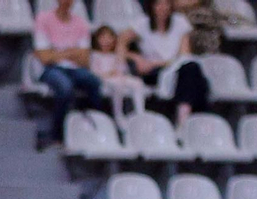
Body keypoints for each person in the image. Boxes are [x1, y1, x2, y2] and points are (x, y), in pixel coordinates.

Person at [121, 0, 210, 130]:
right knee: (197, 79)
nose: (162, 8)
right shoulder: (142, 23)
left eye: (166, 4)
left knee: (192, 70)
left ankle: (183, 121)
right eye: (159, 4)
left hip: (174, 66)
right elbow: (121, 41)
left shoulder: (180, 22)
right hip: (153, 71)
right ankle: (185, 122)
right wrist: (135, 57)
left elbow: (184, 55)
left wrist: (157, 63)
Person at [32, 0, 105, 151]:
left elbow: (85, 59)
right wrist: (72, 52)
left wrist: (57, 52)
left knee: (94, 82)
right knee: (65, 87)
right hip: (50, 69)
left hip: (74, 68)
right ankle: (57, 136)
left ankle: (94, 129)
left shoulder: (80, 23)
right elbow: (44, 57)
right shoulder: (43, 19)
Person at [89, 25, 147, 123]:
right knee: (118, 85)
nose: (106, 41)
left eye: (109, 37)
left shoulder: (115, 55)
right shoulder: (95, 55)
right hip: (105, 80)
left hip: (118, 77)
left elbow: (123, 69)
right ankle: (118, 115)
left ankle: (140, 113)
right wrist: (108, 74)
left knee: (138, 83)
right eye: (103, 38)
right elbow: (94, 73)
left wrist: (120, 56)